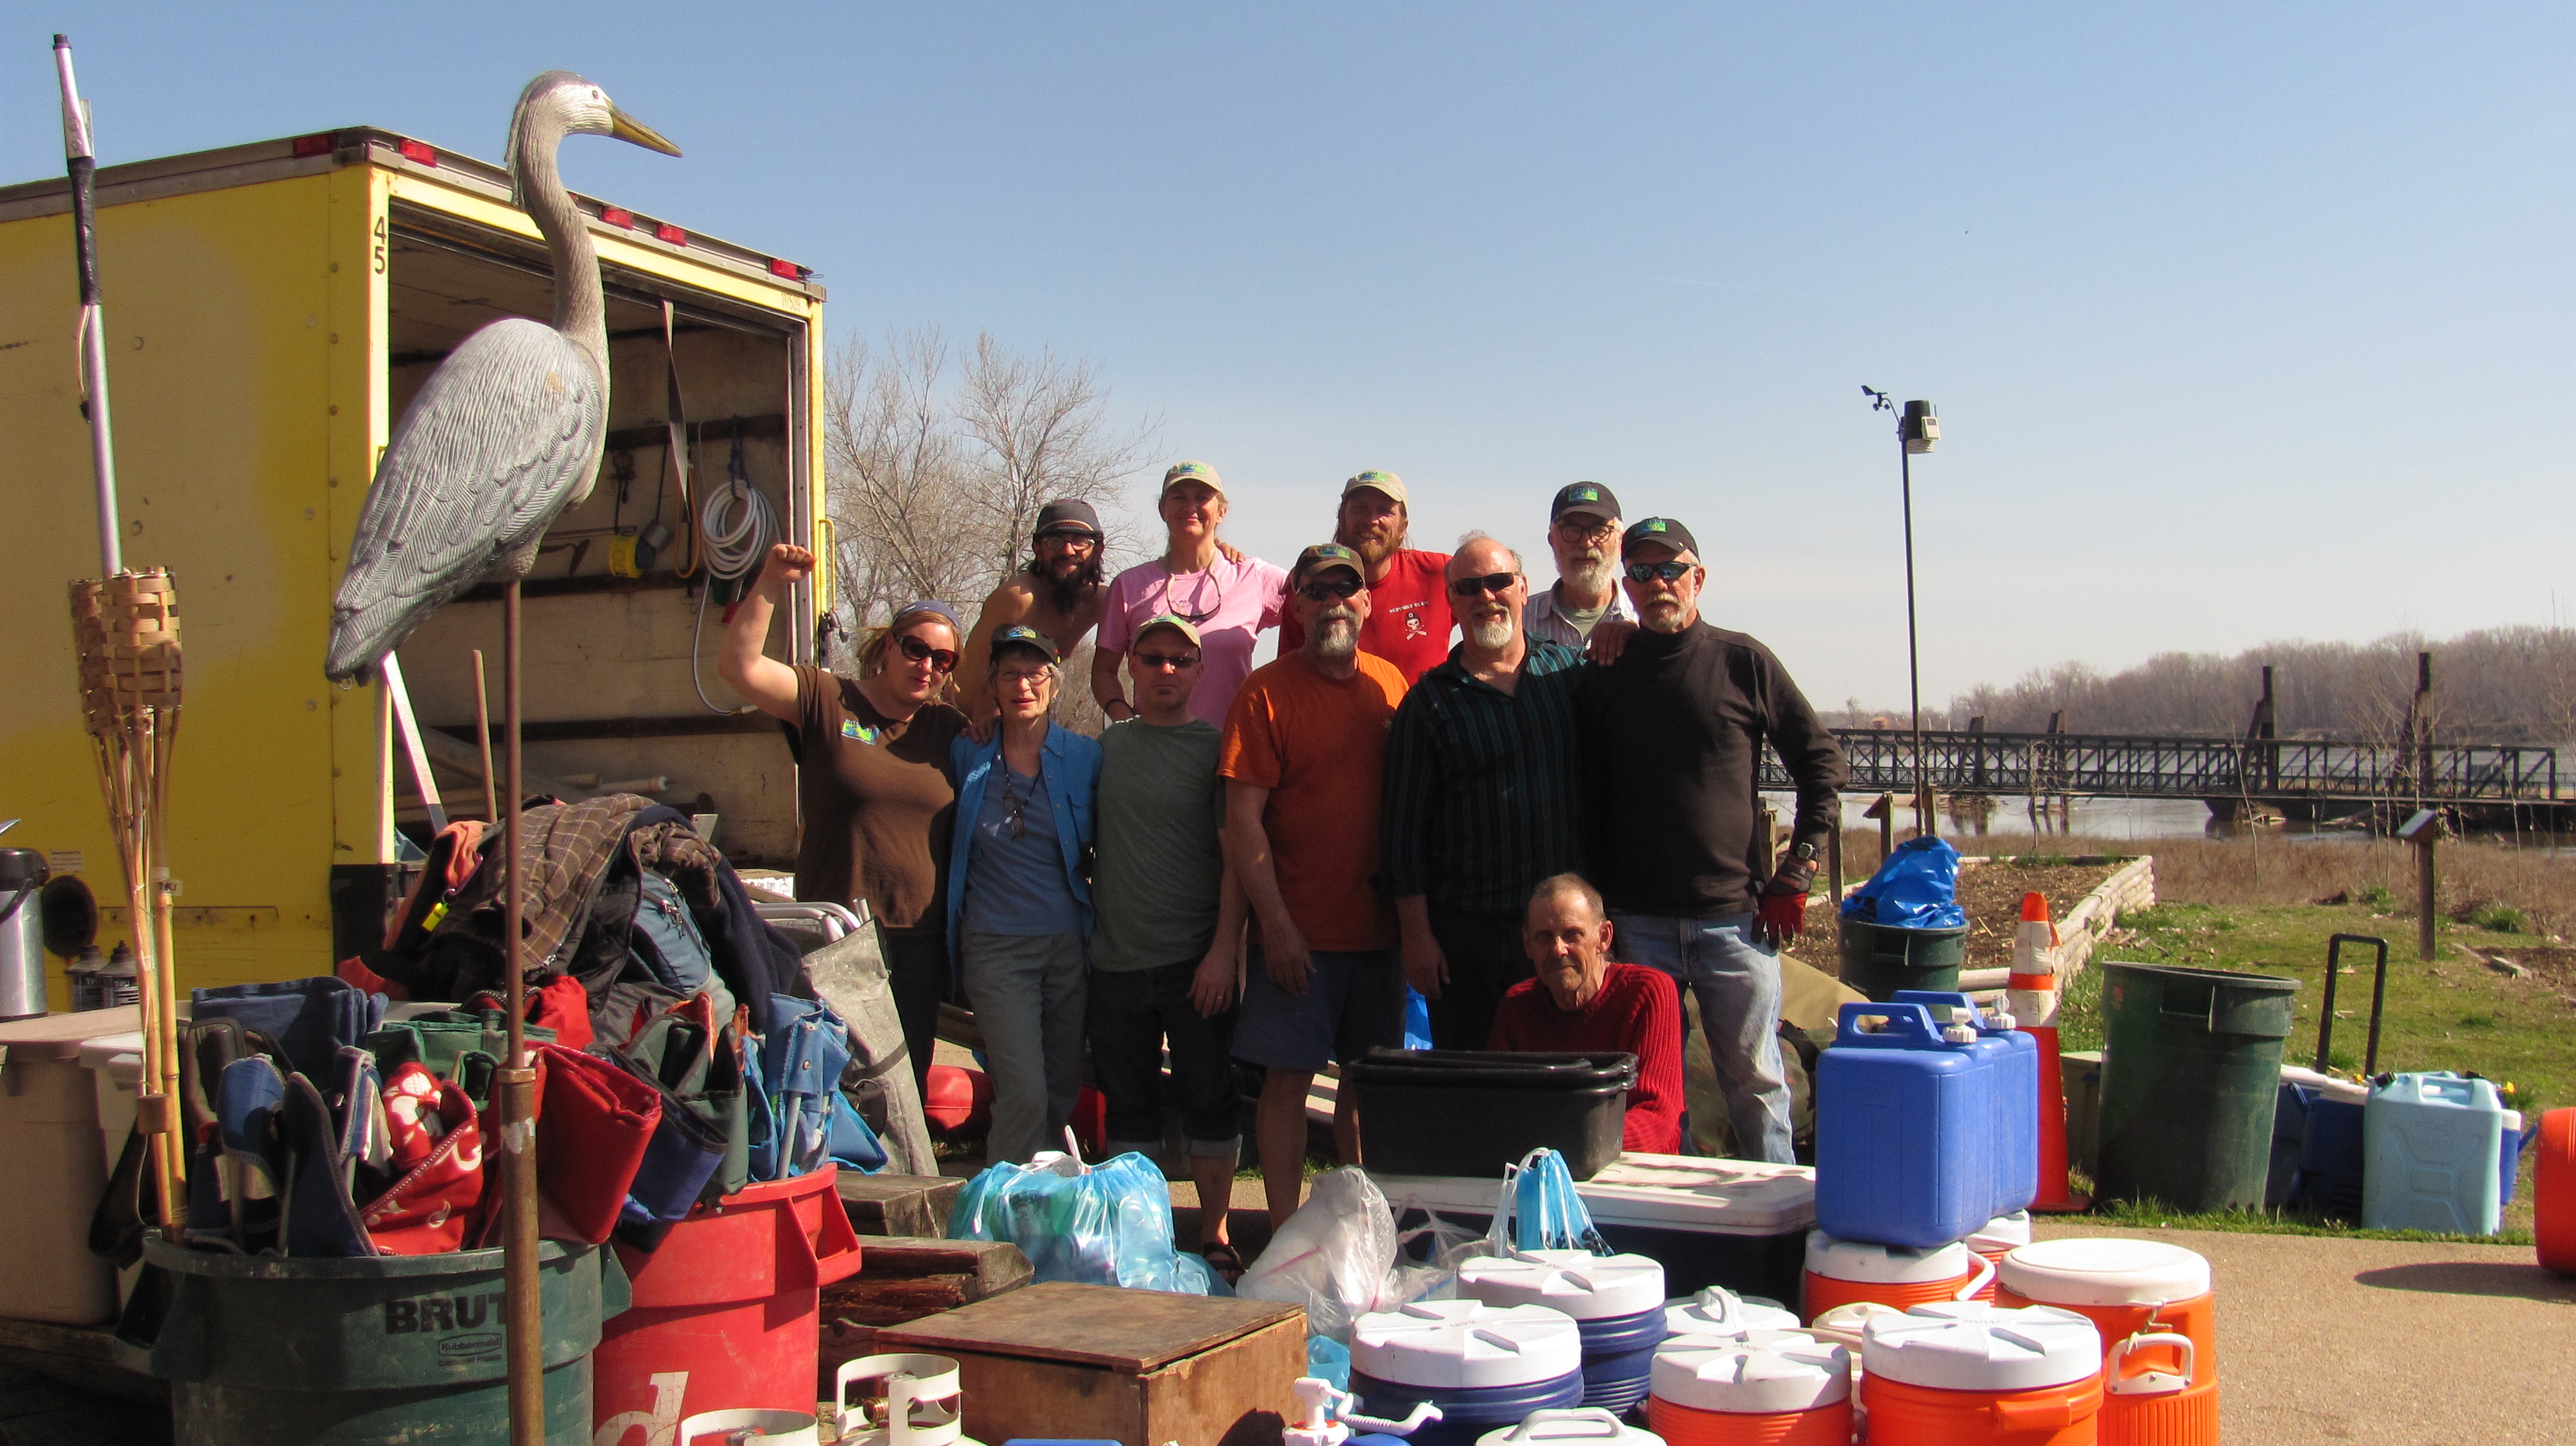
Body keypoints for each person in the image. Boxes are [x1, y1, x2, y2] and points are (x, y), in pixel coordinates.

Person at [1577, 518, 1848, 1164]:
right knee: (1653, 1093)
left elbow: (1823, 766)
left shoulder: (1743, 661)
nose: (1659, 583)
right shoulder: (1606, 670)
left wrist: (1799, 870)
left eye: (1672, 570)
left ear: (1698, 578)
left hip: (1736, 923)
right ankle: (1667, 1213)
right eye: (1642, 572)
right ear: (1626, 587)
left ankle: (1777, 1211)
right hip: (1637, 924)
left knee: (1757, 1084)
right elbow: (1583, 791)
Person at [718, 543, 966, 1097]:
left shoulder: (950, 730)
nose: (927, 665)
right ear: (889, 645)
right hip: (835, 932)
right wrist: (769, 582)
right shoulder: (828, 699)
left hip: (918, 941)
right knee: (825, 1081)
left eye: (943, 659)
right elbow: (739, 667)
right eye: (916, 649)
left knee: (902, 1089)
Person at [1220, 544, 1409, 1225]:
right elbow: (1243, 822)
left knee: (1365, 1086)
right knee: (1287, 1084)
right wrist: (1275, 928)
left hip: (1379, 939)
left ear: (1366, 601)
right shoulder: (1265, 693)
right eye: (1317, 590)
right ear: (1296, 605)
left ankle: (1362, 1231)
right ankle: (1283, 1236)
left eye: (1345, 588)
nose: (1333, 602)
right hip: (1296, 937)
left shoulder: (1391, 686)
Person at [1087, 614, 1251, 1277]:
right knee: (1130, 1109)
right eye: (1152, 658)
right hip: (1116, 962)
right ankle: (1142, 1238)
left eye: (1180, 661)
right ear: (1130, 666)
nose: (1165, 670)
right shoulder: (1106, 751)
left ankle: (1215, 1233)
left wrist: (1223, 952)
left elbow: (1237, 861)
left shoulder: (1217, 751)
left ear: (1200, 672)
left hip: (1195, 964)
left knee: (1209, 1100)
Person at [1382, 534, 1585, 1051]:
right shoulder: (1428, 703)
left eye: (1498, 582)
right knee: (1472, 1080)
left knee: (1563, 1075)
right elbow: (1403, 833)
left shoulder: (1570, 675)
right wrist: (1417, 936)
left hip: (1562, 934)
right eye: (1470, 587)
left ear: (1523, 589)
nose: (1486, 597)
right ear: (1451, 602)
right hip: (1468, 937)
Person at [943, 625, 1102, 1165]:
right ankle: (997, 1209)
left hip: (1067, 946)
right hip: (995, 947)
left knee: (1058, 1091)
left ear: (1055, 684)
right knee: (1024, 1092)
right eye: (1009, 674)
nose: (1023, 686)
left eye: (1035, 674)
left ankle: (1040, 1201)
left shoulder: (1084, 757)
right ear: (992, 685)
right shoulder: (968, 753)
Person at [1489, 873, 1685, 1155]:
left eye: (1572, 935)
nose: (1558, 949)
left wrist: (1568, 1143)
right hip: (1546, 1167)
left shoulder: (1648, 992)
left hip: (1634, 1170)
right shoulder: (1517, 1004)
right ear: (1527, 944)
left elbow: (1658, 1118)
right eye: (1544, 937)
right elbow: (1496, 1107)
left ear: (1603, 938)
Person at [1096, 461, 1287, 728]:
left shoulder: (1254, 576)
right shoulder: (1128, 585)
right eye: (1179, 497)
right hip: (1156, 745)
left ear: (1221, 512)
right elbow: (1103, 671)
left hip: (1234, 743)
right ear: (1163, 509)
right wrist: (1126, 723)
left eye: (1202, 498)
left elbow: (1319, 601)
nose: (1190, 507)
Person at [1277, 471, 1453, 686]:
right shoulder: (1310, 591)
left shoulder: (1440, 573)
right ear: (1341, 518)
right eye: (1360, 508)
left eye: (1385, 510)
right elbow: (1289, 679)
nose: (1371, 521)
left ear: (1403, 527)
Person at [958, 499, 1109, 724]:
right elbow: (978, 687)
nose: (1068, 551)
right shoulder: (1020, 598)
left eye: (1080, 541)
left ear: (1097, 549)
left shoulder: (1101, 600)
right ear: (1038, 549)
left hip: (1026, 719)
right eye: (1055, 541)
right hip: (967, 722)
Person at [1523, 482, 1635, 649]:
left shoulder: (1642, 617)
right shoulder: (1520, 620)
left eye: (1599, 531)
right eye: (1572, 531)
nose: (1586, 543)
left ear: (1620, 541)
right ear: (1552, 541)